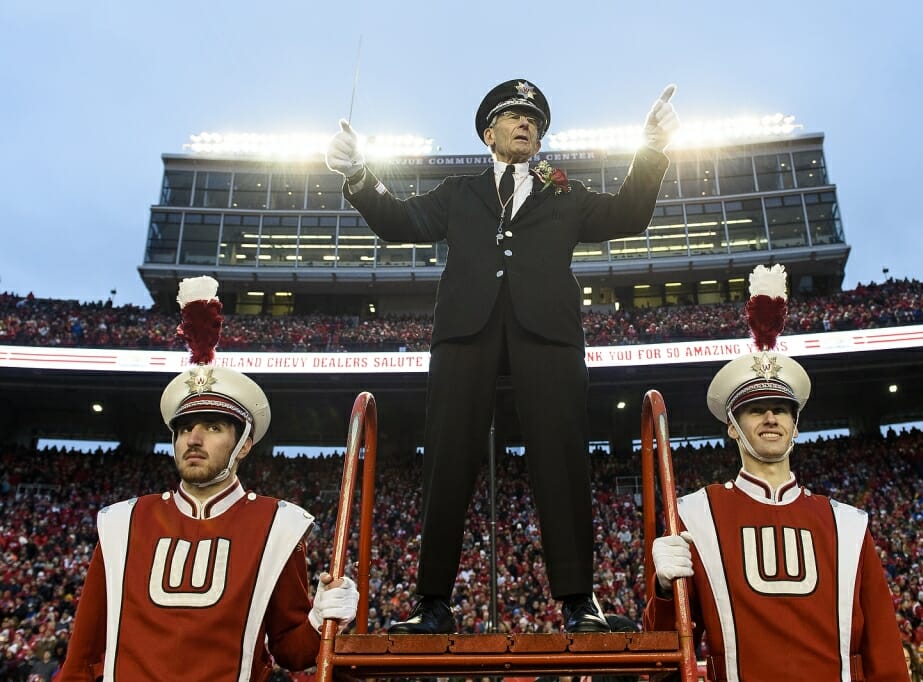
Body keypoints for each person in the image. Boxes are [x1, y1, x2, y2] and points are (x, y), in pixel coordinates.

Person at [325, 79, 678, 634]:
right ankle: (433, 604)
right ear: (489, 132)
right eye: (515, 117)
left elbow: (628, 215)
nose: (526, 125)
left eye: (534, 120)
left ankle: (580, 602)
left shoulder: (565, 192)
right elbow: (399, 223)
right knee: (446, 456)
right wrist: (357, 176)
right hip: (467, 330)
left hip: (549, 334)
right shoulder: (458, 193)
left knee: (562, 456)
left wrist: (652, 147)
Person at [57, 277, 358, 681]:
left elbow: (291, 650)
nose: (193, 439)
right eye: (184, 429)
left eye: (213, 427)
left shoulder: (278, 525)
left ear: (245, 445)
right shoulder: (122, 522)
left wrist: (321, 618)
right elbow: (82, 656)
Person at [643, 264, 908, 681]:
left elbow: (886, 652)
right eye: (754, 409)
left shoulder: (848, 524)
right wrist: (661, 590)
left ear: (796, 425)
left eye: (781, 409)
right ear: (732, 427)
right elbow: (662, 658)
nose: (770, 417)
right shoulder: (694, 514)